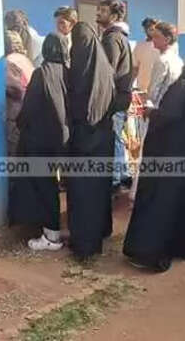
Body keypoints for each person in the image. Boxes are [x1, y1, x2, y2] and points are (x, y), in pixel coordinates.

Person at [123, 53, 185, 272]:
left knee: (162, 204)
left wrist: (150, 112)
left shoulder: (183, 87)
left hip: (170, 155)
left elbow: (169, 115)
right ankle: (184, 248)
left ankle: (152, 255)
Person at [10, 34, 70, 251]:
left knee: (44, 186)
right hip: (62, 140)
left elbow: (29, 108)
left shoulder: (41, 74)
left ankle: (51, 236)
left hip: (39, 141)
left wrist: (19, 123)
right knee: (53, 186)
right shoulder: (68, 73)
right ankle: (53, 230)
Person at [67, 22, 115, 260]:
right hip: (103, 138)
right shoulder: (104, 68)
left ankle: (84, 246)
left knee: (83, 194)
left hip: (84, 140)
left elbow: (76, 107)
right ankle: (98, 236)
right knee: (98, 191)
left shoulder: (79, 73)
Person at [97, 0, 133, 191]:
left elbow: (108, 70)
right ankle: (123, 173)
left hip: (115, 95)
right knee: (117, 136)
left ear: (113, 16)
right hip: (122, 94)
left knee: (113, 136)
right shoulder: (121, 36)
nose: (98, 13)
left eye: (103, 11)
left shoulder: (111, 38)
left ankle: (115, 178)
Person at [4, 32, 35, 155]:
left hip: (15, 115)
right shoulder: (26, 60)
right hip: (28, 115)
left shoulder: (9, 61)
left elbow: (15, 89)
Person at [147, 22, 183, 107]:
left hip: (160, 106)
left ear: (167, 39)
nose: (153, 39)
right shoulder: (178, 60)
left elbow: (153, 91)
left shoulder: (162, 60)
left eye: (157, 37)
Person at [133, 18, 160, 94]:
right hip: (142, 89)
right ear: (145, 30)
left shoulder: (163, 45)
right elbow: (135, 68)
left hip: (158, 89)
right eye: (147, 27)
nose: (151, 30)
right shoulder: (139, 46)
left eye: (153, 28)